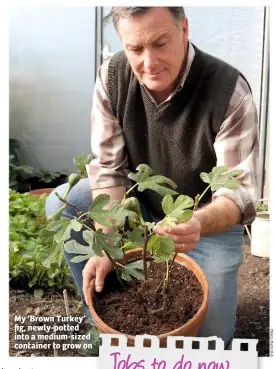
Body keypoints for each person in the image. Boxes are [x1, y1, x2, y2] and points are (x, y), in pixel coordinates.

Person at [46, 6, 259, 355]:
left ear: (184, 29)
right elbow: (109, 170)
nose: (149, 62)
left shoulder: (228, 91)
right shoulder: (112, 77)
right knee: (63, 203)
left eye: (160, 43)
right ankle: (106, 330)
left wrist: (195, 223)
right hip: (138, 202)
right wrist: (106, 244)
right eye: (135, 49)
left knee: (211, 345)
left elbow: (239, 194)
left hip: (205, 220)